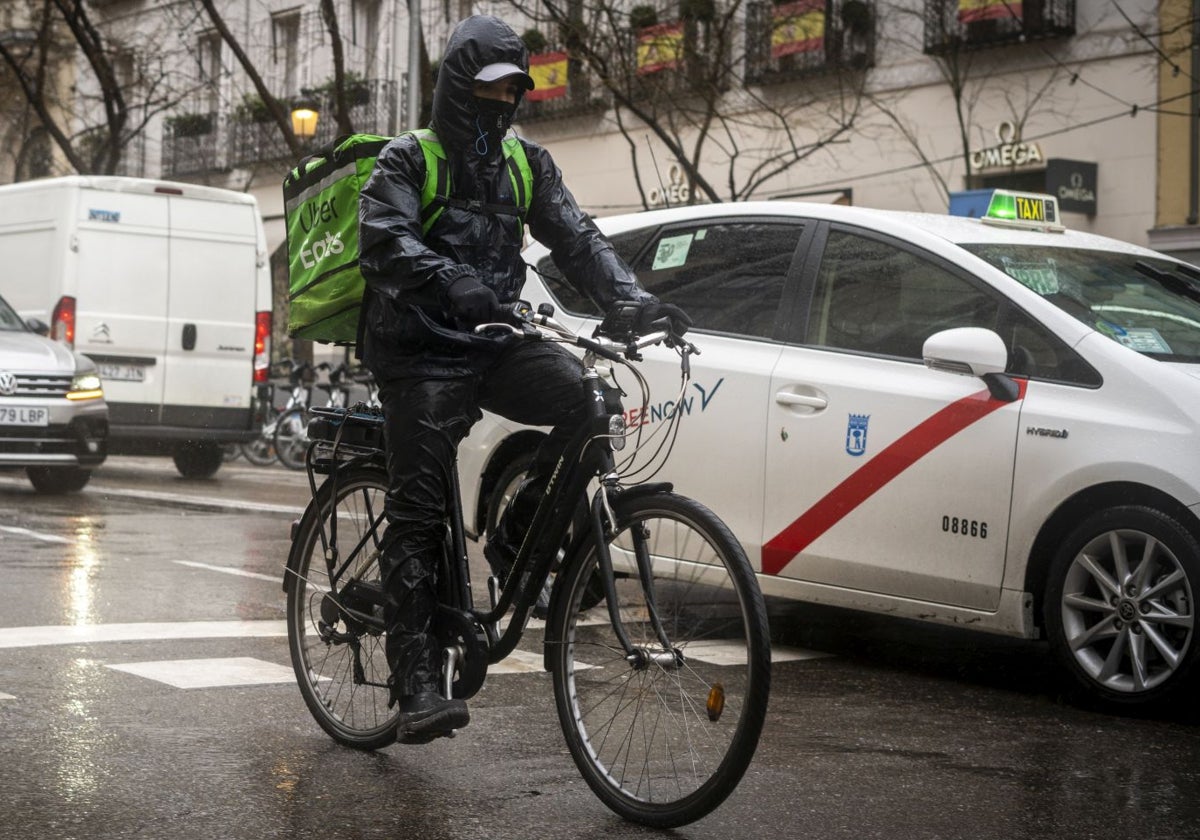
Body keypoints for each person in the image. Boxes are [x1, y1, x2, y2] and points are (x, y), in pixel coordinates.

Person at [357, 14, 690, 742]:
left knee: (585, 401)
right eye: (488, 89)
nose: (502, 102)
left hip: (490, 338)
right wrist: (449, 280)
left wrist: (631, 302)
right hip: (419, 346)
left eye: (513, 90)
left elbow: (576, 237)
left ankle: (515, 545)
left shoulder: (525, 163)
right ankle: (415, 682)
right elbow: (384, 240)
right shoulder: (408, 160)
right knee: (417, 507)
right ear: (456, 87)